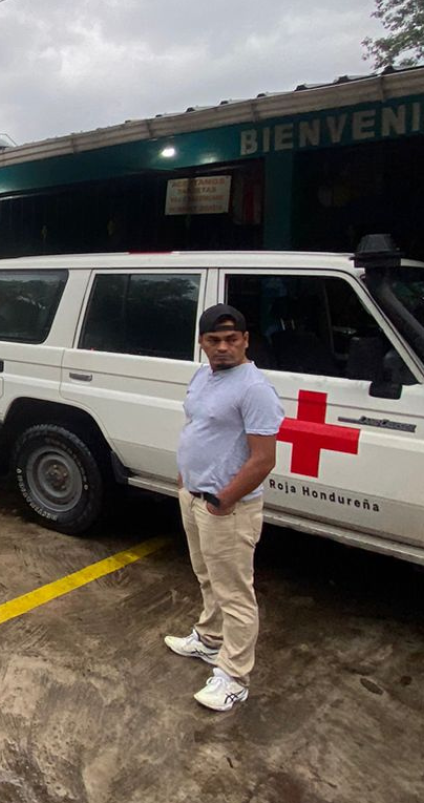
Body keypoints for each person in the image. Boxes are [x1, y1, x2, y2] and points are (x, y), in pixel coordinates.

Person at [165, 304, 283, 712]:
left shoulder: (255, 389)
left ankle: (234, 676)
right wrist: (186, 478)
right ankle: (208, 639)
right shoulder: (202, 376)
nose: (223, 347)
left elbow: (263, 459)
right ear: (201, 343)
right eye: (213, 340)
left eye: (232, 339)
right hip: (194, 497)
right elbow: (197, 427)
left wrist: (224, 499)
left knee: (235, 594)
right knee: (206, 576)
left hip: (227, 509)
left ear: (246, 340)